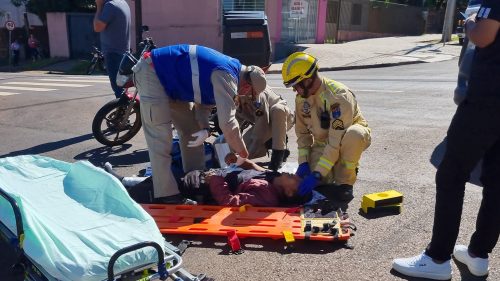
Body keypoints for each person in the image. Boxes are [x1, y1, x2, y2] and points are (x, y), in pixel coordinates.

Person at [392, 1, 500, 280]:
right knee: (497, 182)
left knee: (451, 175)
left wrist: (471, 23)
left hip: (485, 103)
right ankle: (478, 254)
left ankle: (437, 258)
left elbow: (484, 35)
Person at [131, 44, 267, 205]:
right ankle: (167, 195)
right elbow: (228, 123)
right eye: (250, 94)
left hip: (173, 85)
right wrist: (243, 154)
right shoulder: (226, 74)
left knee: (191, 130)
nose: (246, 96)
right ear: (247, 86)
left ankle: (194, 181)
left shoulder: (228, 72)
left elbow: (204, 104)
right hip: (152, 73)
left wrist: (205, 129)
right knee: (161, 139)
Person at [281, 52, 371, 201]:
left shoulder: (338, 96)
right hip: (323, 143)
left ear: (307, 80)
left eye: (295, 85)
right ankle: (331, 171)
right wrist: (303, 162)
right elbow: (302, 134)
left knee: (354, 135)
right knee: (319, 180)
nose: (294, 90)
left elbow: (335, 142)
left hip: (345, 139)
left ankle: (345, 182)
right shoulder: (301, 99)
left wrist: (317, 173)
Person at [235, 81, 294, 171]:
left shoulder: (259, 95)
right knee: (238, 148)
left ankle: (277, 157)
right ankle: (272, 142)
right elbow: (234, 124)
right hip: (264, 122)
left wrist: (242, 159)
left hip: (283, 119)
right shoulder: (235, 94)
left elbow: (259, 133)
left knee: (278, 110)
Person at [93, 0, 131, 98]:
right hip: (124, 52)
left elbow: (97, 27)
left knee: (118, 90)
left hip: (113, 53)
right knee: (122, 87)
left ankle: (123, 111)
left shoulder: (110, 6)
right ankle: (124, 110)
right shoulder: (122, 2)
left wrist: (99, 6)